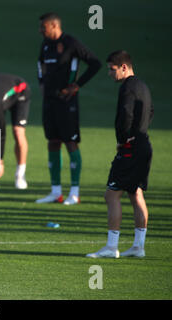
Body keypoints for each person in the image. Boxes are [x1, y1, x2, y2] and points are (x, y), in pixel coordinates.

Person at [87, 51, 153, 258]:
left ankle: (111, 246)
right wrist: (139, 134)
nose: (109, 73)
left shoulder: (127, 87)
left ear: (124, 67)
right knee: (135, 193)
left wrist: (123, 139)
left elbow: (126, 114)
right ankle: (138, 246)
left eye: (112, 69)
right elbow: (150, 112)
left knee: (112, 194)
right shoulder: (143, 86)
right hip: (144, 145)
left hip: (130, 148)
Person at [36, 12, 101, 205]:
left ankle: (75, 192)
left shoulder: (71, 43)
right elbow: (40, 66)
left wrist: (77, 84)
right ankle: (56, 192)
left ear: (54, 25)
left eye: (43, 27)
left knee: (70, 142)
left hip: (67, 102)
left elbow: (95, 63)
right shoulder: (45, 45)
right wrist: (41, 85)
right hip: (49, 101)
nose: (40, 31)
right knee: (53, 142)